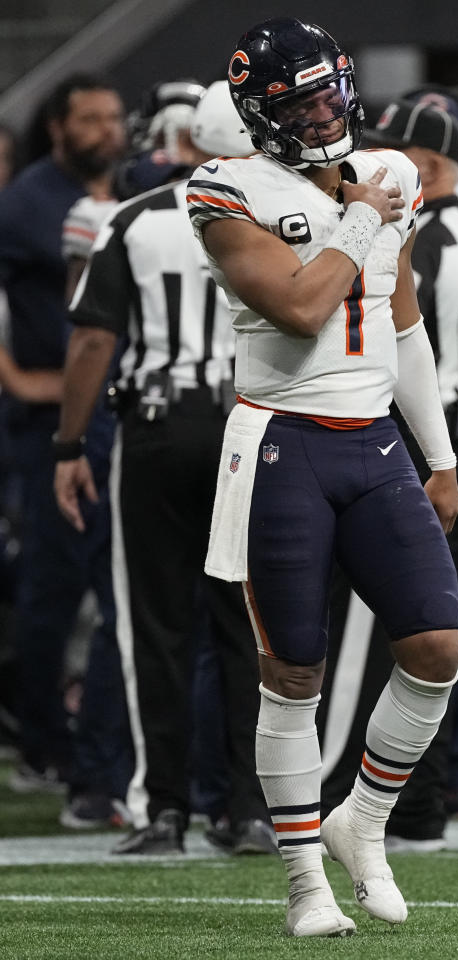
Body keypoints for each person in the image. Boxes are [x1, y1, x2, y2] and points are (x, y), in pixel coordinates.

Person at [187, 17, 458, 937]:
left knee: (436, 648)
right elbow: (305, 308)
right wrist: (358, 215)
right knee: (291, 670)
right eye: (303, 100)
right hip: (280, 443)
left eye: (332, 89)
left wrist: (442, 454)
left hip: (374, 440)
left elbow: (405, 316)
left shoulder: (390, 176)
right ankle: (305, 882)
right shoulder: (225, 188)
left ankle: (364, 825)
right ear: (263, 116)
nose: (326, 110)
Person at [54, 81, 276, 856]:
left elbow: (90, 343)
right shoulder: (284, 213)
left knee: (155, 627)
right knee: (245, 627)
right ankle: (250, 809)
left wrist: (68, 444)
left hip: (156, 428)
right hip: (250, 427)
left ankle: (166, 809)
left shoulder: (136, 217)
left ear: (183, 140)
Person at [364, 99, 458, 837]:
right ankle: (430, 798)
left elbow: (394, 335)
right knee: (442, 624)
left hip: (421, 438)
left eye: (392, 151)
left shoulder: (422, 238)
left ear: (425, 163)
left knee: (393, 626)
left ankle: (396, 801)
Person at [0, 73, 127, 793]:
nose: (107, 130)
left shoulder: (129, 188)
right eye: (90, 119)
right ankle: (42, 744)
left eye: (113, 116)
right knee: (54, 588)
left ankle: (91, 739)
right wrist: (18, 379)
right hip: (50, 420)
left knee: (109, 588)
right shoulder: (26, 205)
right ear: (58, 128)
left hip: (114, 411)